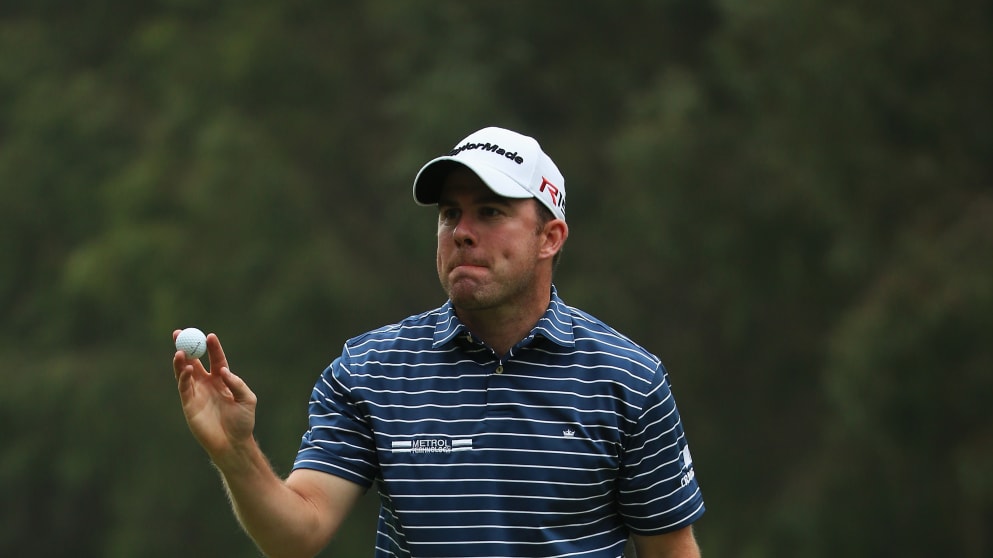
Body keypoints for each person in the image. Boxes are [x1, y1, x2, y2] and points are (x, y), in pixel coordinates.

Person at [172, 126, 705, 558]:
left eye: (490, 212)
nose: (462, 231)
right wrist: (235, 451)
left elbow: (669, 550)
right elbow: (296, 535)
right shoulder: (370, 371)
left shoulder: (627, 378)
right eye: (451, 213)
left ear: (550, 237)